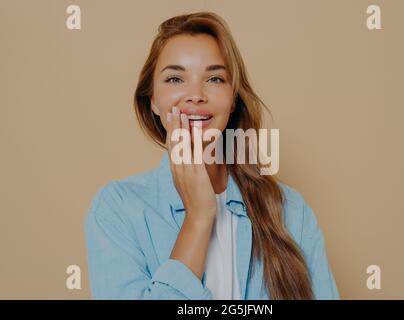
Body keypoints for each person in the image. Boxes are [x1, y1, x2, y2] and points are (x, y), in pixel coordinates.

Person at [85, 11, 339, 300]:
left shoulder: (291, 211)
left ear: (233, 99)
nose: (195, 95)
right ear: (153, 100)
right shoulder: (117, 210)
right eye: (175, 79)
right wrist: (199, 217)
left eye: (215, 78)